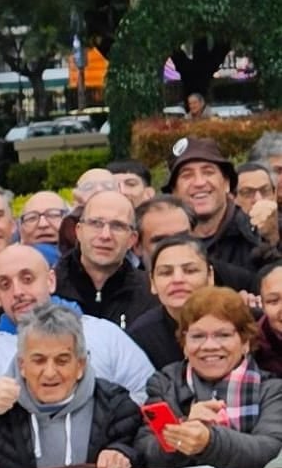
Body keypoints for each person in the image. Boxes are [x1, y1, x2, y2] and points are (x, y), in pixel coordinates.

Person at [0, 302, 142, 468]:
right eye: (39, 361)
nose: (50, 372)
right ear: (22, 366)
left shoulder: (116, 405)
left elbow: (141, 450)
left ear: (80, 365)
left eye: (62, 361)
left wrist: (122, 453)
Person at [0, 246, 153, 428]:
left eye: (27, 279)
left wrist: (112, 430)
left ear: (51, 281)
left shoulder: (103, 334)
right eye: (5, 285)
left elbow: (147, 391)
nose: (17, 291)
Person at [133, 286, 282, 468]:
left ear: (245, 342)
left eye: (223, 335)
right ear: (184, 345)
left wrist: (210, 441)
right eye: (197, 336)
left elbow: (270, 452)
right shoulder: (164, 384)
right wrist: (186, 429)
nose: (209, 346)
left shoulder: (271, 389)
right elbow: (145, 451)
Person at [165, 137, 274, 274]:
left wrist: (272, 240)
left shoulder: (258, 234)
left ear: (227, 183)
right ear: (173, 191)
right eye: (187, 175)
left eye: (208, 172)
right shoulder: (161, 237)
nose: (199, 182)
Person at [51, 190, 151, 328]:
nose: (105, 235)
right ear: (79, 231)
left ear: (132, 239)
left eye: (117, 226)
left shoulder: (150, 293)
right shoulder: (50, 287)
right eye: (96, 224)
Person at [127, 234, 215, 371]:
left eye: (190, 271)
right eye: (166, 273)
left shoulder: (240, 321)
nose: (178, 279)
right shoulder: (141, 337)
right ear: (152, 282)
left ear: (210, 277)